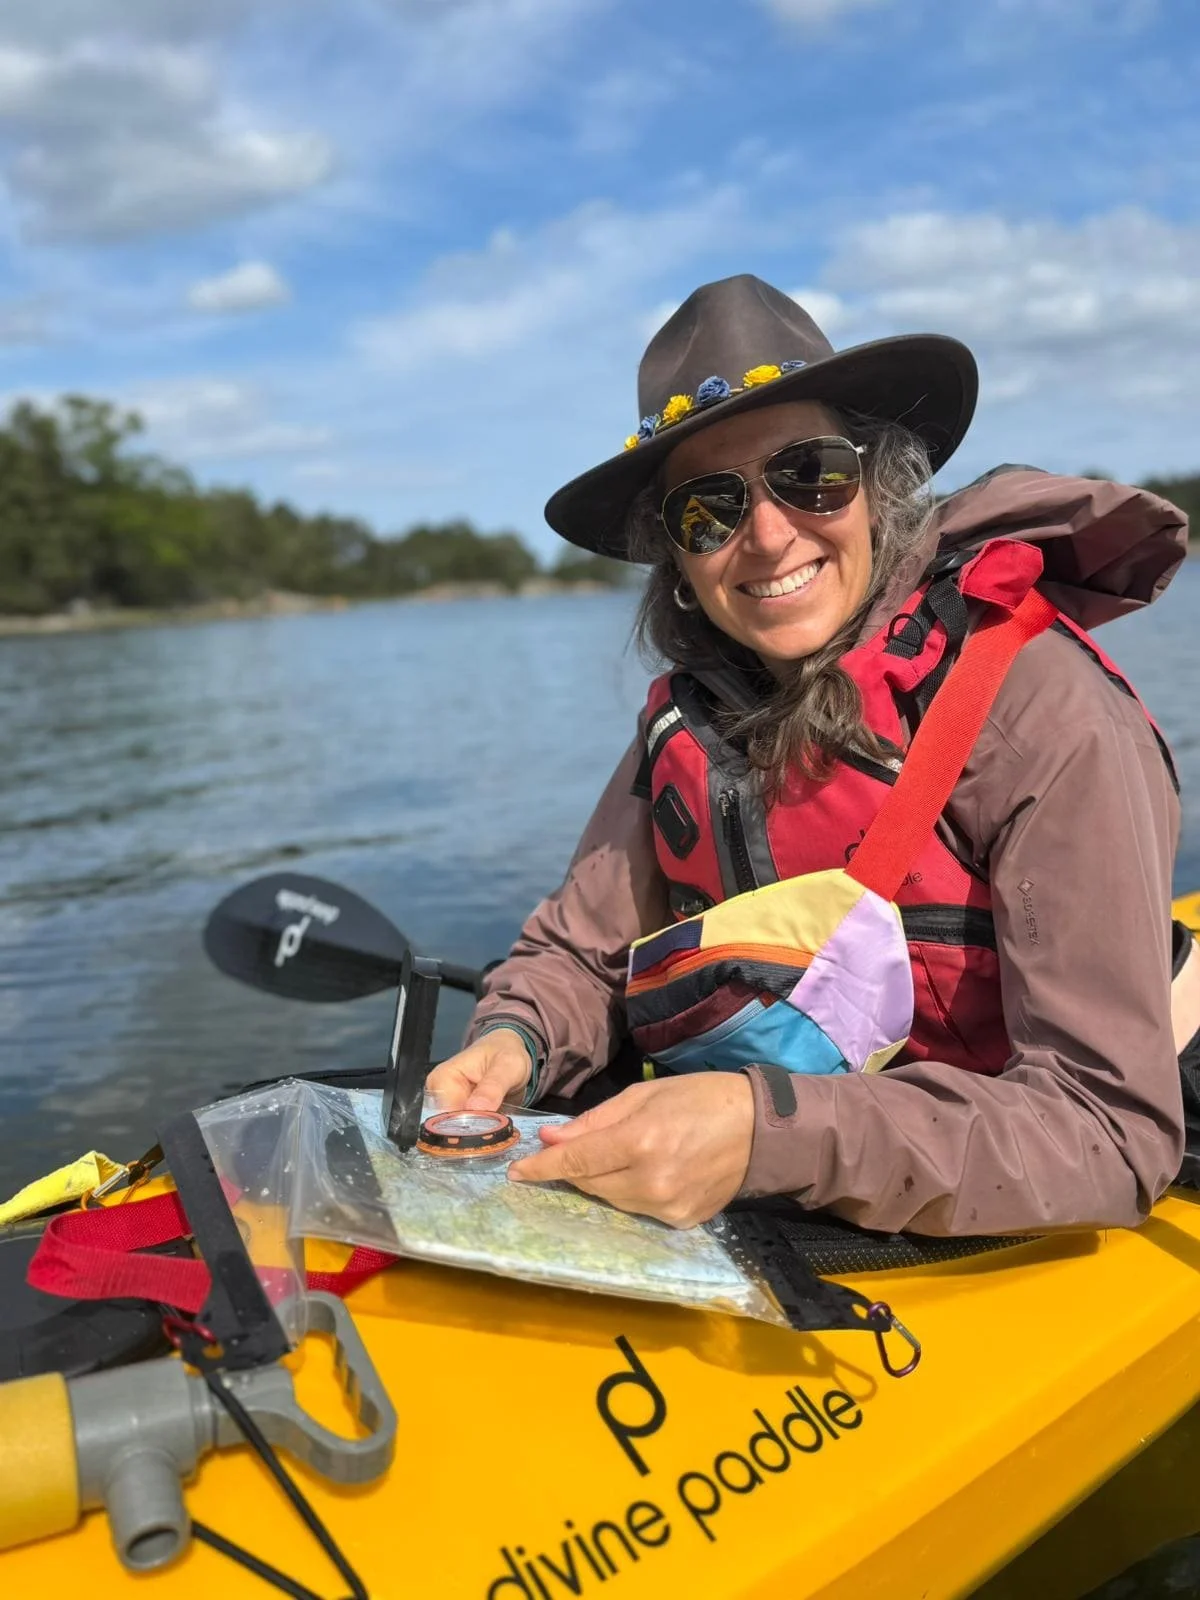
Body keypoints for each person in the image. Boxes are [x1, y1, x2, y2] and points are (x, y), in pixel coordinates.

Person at [426, 273, 1198, 1236]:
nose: (765, 534)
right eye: (707, 510)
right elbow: (580, 955)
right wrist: (516, 1040)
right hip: (817, 1155)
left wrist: (766, 1135)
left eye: (810, 474)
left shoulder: (1044, 710)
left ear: (879, 486)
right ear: (678, 556)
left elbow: (1109, 1132)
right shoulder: (688, 724)